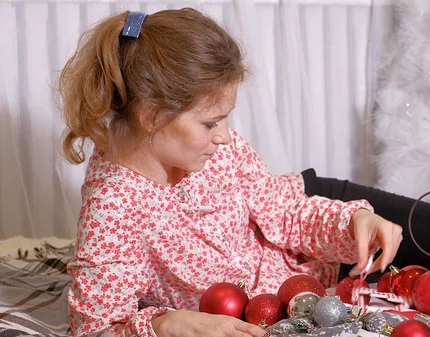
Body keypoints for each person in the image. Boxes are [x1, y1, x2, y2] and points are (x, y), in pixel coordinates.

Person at [58, 8, 403, 337]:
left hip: (322, 212)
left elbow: (284, 212)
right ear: (152, 115)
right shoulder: (113, 208)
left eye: (225, 118)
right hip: (303, 288)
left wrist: (353, 219)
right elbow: (95, 328)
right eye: (210, 123)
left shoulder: (219, 148)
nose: (225, 136)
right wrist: (163, 325)